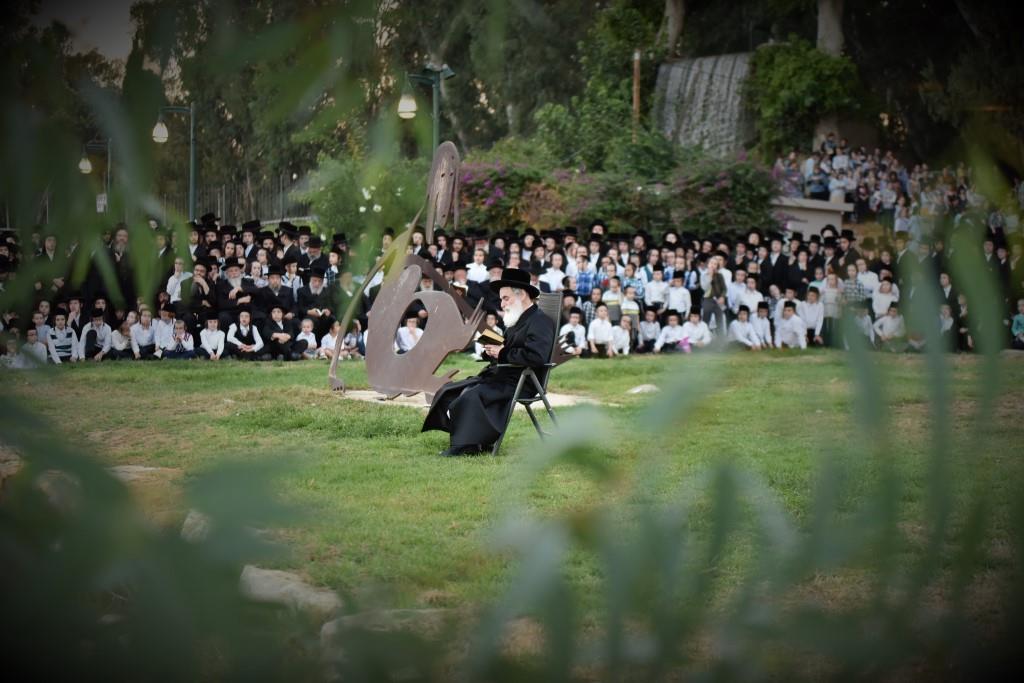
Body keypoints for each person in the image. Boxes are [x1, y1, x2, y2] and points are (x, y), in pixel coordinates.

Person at [422, 267, 556, 456]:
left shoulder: (540, 321)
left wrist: (502, 353)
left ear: (522, 295)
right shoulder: (517, 319)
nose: (501, 304)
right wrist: (491, 351)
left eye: (505, 298)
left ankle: (465, 446)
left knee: (470, 396)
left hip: (523, 380)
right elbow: (508, 348)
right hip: (504, 374)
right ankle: (475, 441)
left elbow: (536, 357)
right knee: (450, 390)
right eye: (501, 299)